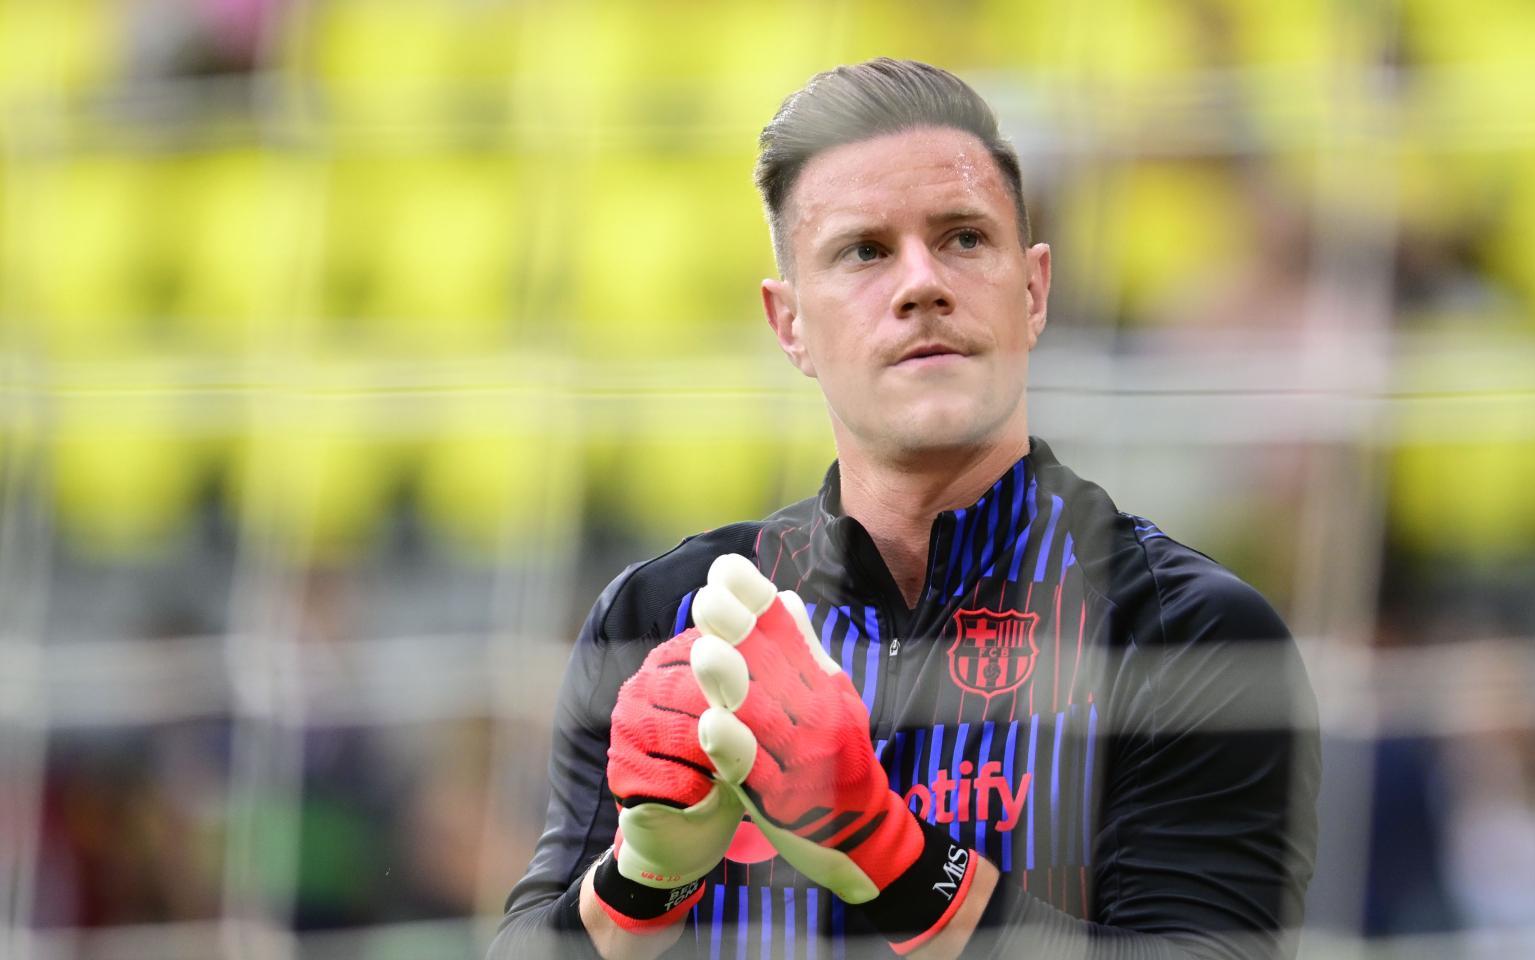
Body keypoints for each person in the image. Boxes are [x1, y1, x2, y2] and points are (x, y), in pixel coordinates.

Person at [490, 58, 1319, 960]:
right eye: (865, 251)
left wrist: (886, 851)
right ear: (790, 324)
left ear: (1034, 290)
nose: (921, 282)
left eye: (964, 238)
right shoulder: (663, 617)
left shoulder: (1186, 631)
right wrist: (637, 886)